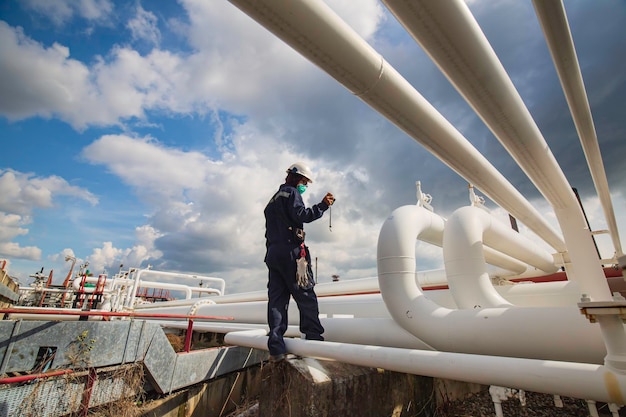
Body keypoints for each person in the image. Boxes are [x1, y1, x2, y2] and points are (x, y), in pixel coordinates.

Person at [264, 162, 335, 362]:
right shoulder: (292, 194)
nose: (305, 185)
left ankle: (276, 347)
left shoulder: (272, 201)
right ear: (297, 178)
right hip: (291, 252)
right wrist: (323, 205)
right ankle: (313, 339)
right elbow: (301, 215)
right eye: (304, 182)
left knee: (277, 301)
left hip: (273, 254)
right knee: (306, 296)